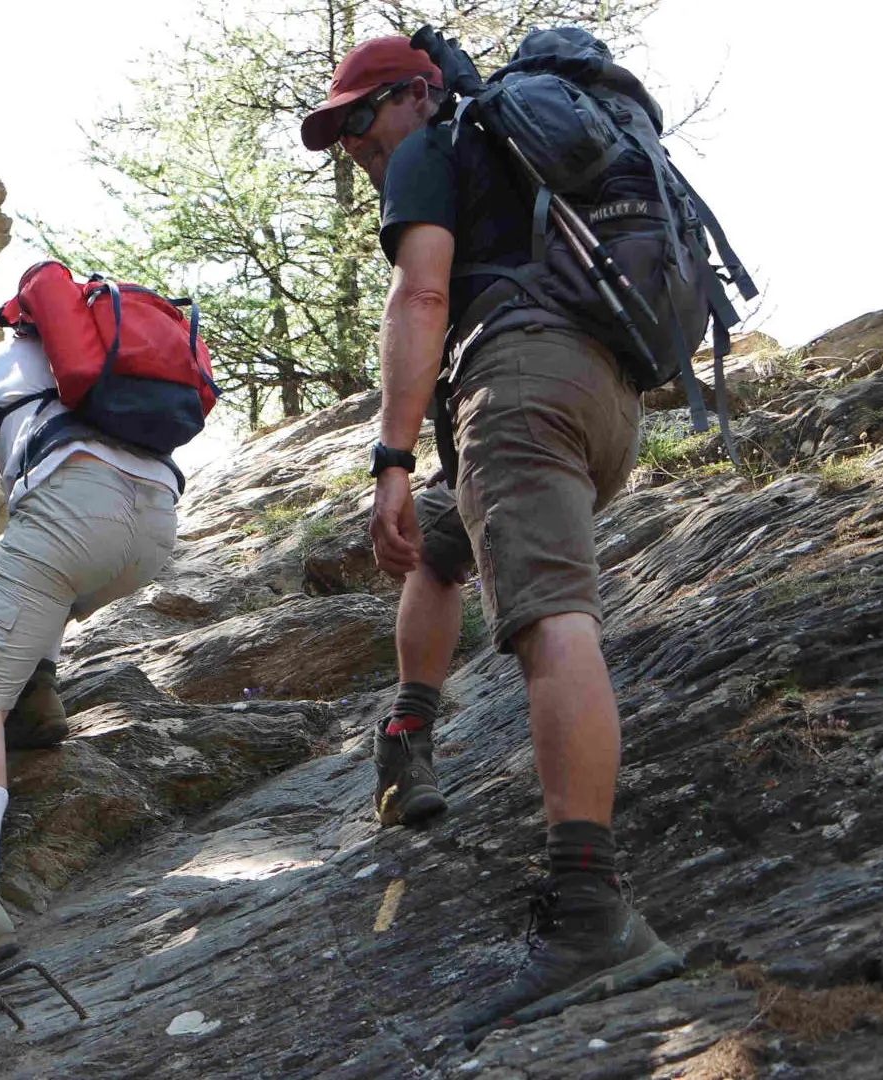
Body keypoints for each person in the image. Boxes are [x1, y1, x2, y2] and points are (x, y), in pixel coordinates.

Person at [301, 36, 682, 1042]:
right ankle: (408, 740)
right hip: (602, 402)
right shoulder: (520, 152)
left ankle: (591, 917)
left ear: (410, 96)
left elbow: (422, 294)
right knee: (439, 542)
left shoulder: (438, 139)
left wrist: (387, 452)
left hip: (517, 386)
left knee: (553, 625)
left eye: (354, 121)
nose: (350, 147)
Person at [0, 328, 182, 997]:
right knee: (44, 585)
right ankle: (39, 694)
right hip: (155, 526)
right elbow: (88, 509)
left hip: (71, 519)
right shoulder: (109, 363)